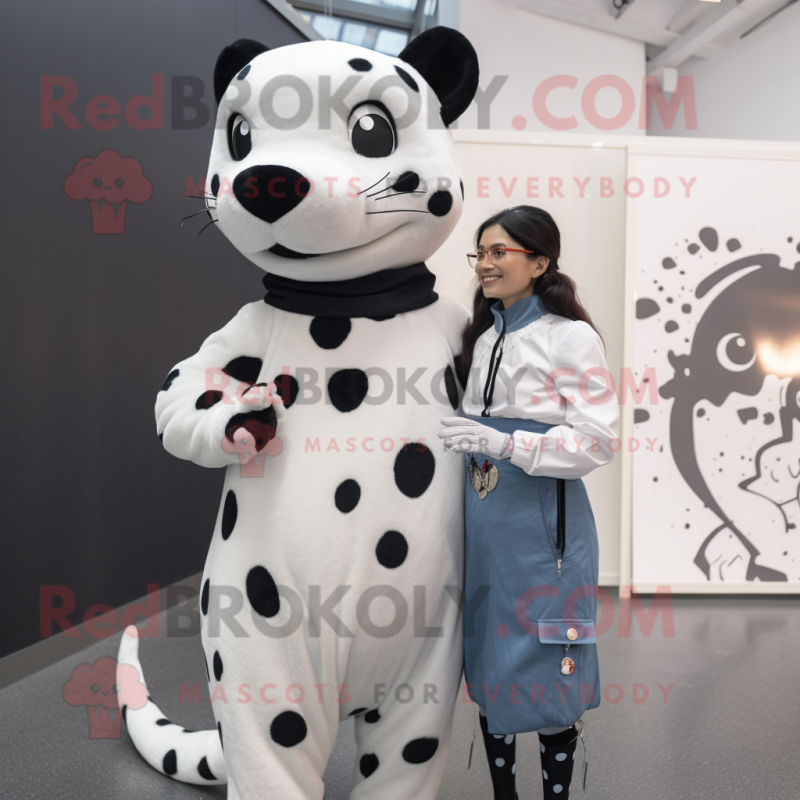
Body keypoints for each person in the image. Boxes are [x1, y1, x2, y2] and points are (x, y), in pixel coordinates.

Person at [437, 205, 620, 800]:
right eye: (481, 253)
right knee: (491, 662)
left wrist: (509, 442)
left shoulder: (571, 337)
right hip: (485, 528)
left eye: (500, 253)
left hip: (545, 533)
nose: (486, 265)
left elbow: (598, 441)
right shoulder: (484, 334)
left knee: (546, 663)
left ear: (539, 262)